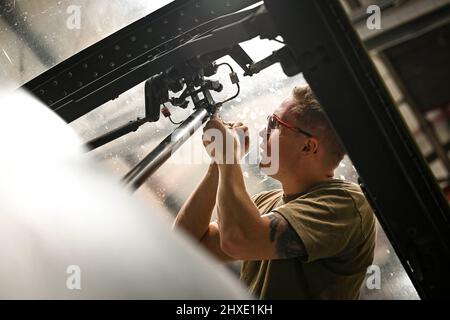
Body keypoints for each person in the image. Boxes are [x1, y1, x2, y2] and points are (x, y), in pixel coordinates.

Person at [174, 85, 377, 299]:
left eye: (275, 124)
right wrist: (219, 163)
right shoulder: (265, 203)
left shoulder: (348, 205)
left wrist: (228, 157)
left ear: (308, 147)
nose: (263, 132)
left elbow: (238, 240)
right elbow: (184, 245)